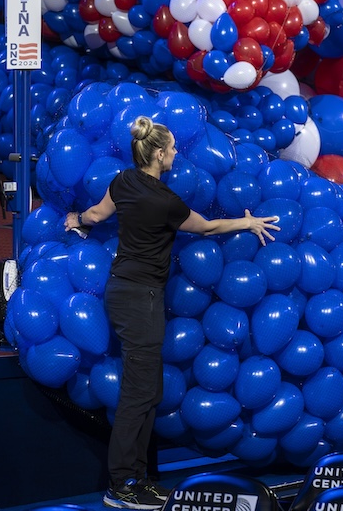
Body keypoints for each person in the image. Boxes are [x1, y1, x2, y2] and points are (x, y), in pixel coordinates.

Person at [64, 116, 279, 510]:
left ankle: (139, 479)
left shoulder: (122, 182)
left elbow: (95, 216)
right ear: (159, 153)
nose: (177, 154)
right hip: (140, 299)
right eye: (174, 149)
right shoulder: (166, 201)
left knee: (147, 391)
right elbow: (210, 227)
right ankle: (121, 486)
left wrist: (74, 220)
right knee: (138, 393)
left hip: (122, 293)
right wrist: (247, 222)